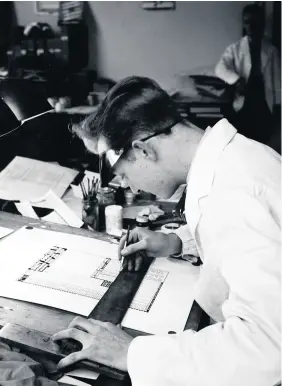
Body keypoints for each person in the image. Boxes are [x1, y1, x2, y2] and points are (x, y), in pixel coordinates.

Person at [52, 76, 281, 386]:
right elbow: (242, 241)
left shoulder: (236, 194)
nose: (129, 186)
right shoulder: (236, 160)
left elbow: (267, 348)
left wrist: (132, 353)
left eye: (122, 174)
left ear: (144, 150)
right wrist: (175, 240)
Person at [215, 4, 281, 145]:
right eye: (247, 22)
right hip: (244, 101)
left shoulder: (271, 50)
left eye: (256, 22)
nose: (252, 26)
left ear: (262, 24)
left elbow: (277, 82)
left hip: (263, 101)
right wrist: (237, 80)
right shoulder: (235, 48)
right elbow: (220, 68)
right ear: (243, 24)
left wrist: (277, 107)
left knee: (262, 142)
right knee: (243, 141)